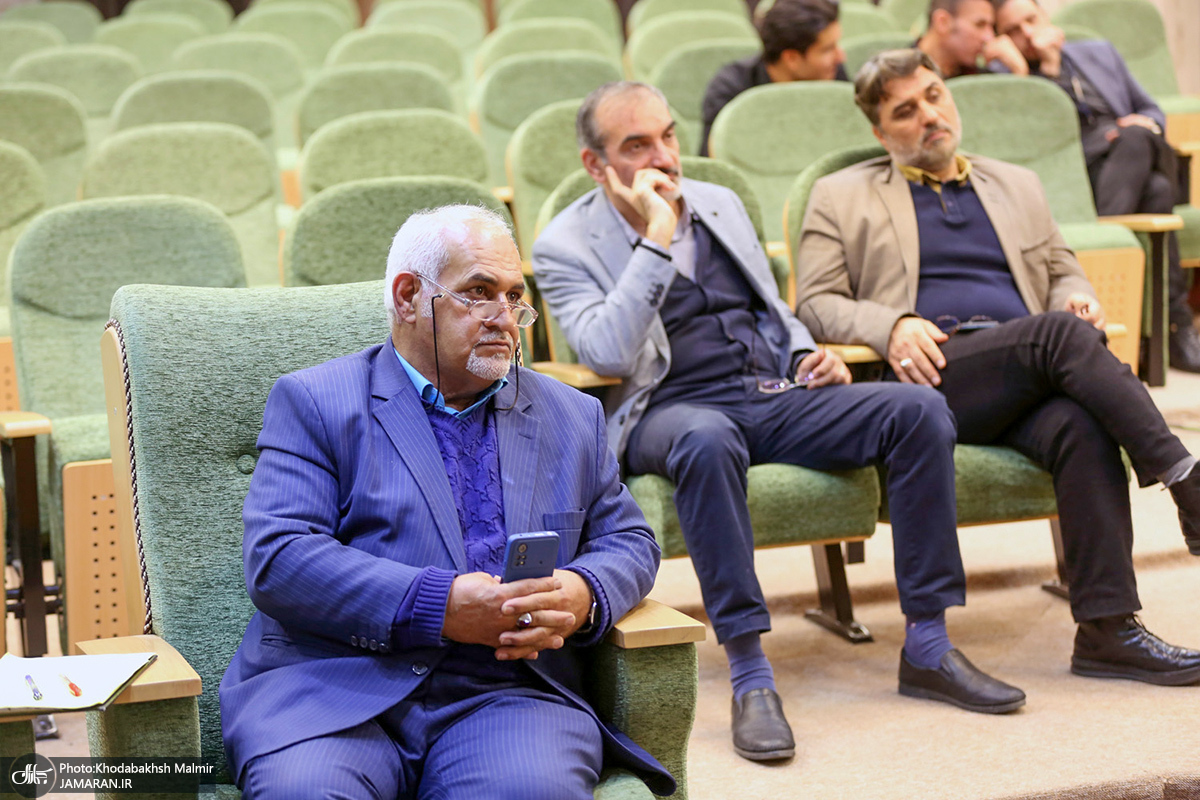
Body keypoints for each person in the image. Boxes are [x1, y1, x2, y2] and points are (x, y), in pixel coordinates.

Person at [533, 80, 1029, 764]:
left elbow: (772, 305)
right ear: (596, 164)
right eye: (637, 146)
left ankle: (929, 643)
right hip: (669, 409)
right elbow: (607, 353)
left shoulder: (719, 201)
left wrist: (804, 354)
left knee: (916, 410)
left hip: (768, 390)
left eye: (668, 136)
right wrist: (655, 236)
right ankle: (750, 672)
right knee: (707, 439)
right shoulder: (563, 243)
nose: (665, 157)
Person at [219, 205, 674, 799]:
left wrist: (584, 591)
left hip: (506, 693)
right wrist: (439, 606)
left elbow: (629, 540)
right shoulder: (316, 402)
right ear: (409, 297)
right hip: (334, 688)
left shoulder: (571, 414)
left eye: (515, 297)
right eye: (479, 293)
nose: (504, 317)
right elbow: (279, 558)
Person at [795, 49, 1200, 696]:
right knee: (1057, 338)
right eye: (905, 110)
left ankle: (1107, 631)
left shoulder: (1016, 184)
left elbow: (1061, 268)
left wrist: (1076, 294)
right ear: (880, 131)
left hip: (1025, 370)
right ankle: (1184, 477)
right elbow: (815, 302)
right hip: (929, 378)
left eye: (934, 95)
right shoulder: (840, 195)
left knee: (1080, 423)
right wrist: (891, 324)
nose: (929, 115)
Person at [990, 0, 1200, 372]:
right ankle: (1176, 326)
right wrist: (1044, 71)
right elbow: (1045, 141)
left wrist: (1142, 125)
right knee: (1157, 191)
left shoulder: (1098, 52)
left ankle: (1108, 250)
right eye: (1013, 30)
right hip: (1082, 177)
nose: (1027, 34)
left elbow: (1151, 109)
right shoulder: (1004, 77)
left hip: (1130, 162)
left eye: (1031, 20)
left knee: (1141, 148)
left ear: (1045, 16)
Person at [699, 0, 848, 156]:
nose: (841, 57)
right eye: (827, 49)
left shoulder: (832, 72)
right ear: (792, 58)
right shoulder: (730, 88)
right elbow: (716, 163)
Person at [915, 0, 1025, 79]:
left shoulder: (981, 76)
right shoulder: (906, 76)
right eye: (980, 25)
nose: (989, 37)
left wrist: (1019, 71)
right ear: (943, 22)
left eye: (991, 27)